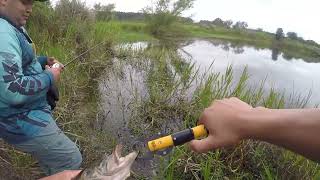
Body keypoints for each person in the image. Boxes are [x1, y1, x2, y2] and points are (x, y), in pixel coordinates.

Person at [0, 0, 82, 175]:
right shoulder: (2, 33)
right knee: (70, 159)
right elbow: (13, 89)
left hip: (29, 113)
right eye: (25, 2)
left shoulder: (12, 24)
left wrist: (42, 61)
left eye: (32, 3)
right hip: (20, 121)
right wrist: (50, 76)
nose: (30, 9)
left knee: (56, 164)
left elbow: (15, 67)